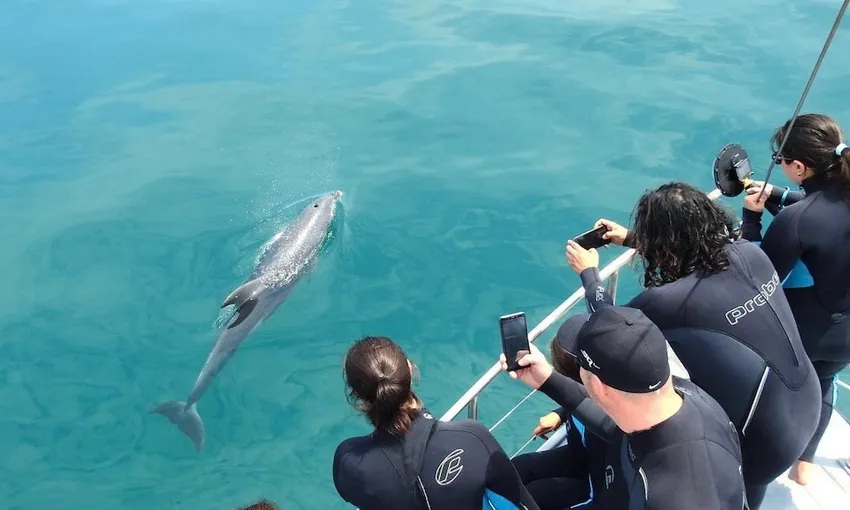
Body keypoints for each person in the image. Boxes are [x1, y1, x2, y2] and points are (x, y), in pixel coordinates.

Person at [565, 181, 821, 509]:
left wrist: (589, 273)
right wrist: (632, 239)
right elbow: (700, 255)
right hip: (807, 402)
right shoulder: (749, 252)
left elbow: (611, 326)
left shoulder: (667, 302)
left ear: (664, 243)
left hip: (765, 437)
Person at [501, 305, 746, 509]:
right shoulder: (688, 398)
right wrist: (545, 379)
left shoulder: (675, 495)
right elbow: (612, 426)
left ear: (597, 385)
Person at [740, 113, 850, 486]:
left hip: (804, 333)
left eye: (780, 160)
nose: (781, 165)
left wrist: (751, 220)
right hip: (845, 337)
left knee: (772, 390)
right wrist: (776, 194)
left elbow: (759, 278)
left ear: (799, 167)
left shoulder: (797, 220)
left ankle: (757, 464)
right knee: (825, 381)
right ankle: (805, 463)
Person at [332, 336, 540, 510]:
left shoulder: (348, 462)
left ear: (357, 396)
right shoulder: (471, 438)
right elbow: (519, 504)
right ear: (409, 369)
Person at [511, 319, 610, 509]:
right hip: (577, 455)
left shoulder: (608, 416)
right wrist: (560, 414)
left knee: (534, 495)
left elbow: (600, 496)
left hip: (594, 485)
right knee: (517, 468)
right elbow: (579, 399)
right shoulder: (584, 394)